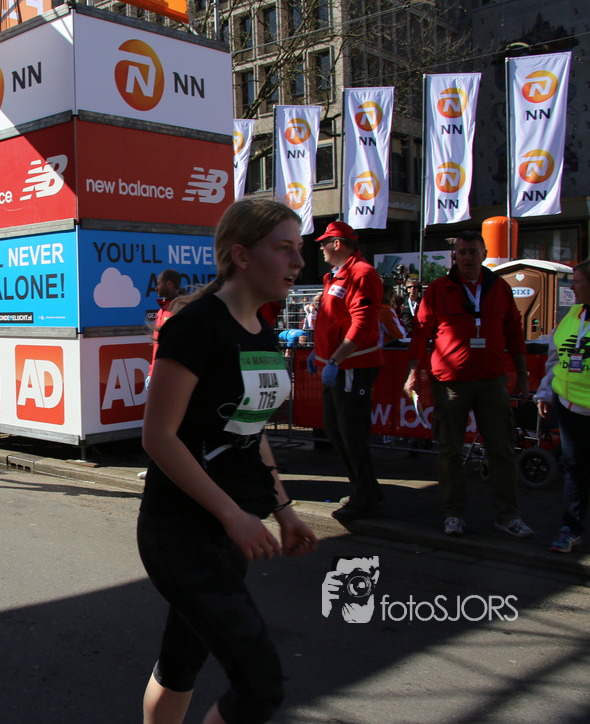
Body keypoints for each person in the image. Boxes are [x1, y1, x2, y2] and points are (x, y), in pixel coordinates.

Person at [138, 198, 318, 724]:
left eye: (299, 248)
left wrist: (283, 510)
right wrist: (232, 515)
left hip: (232, 531)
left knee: (180, 665)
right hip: (181, 533)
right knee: (260, 687)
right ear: (241, 255)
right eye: (283, 248)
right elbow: (158, 437)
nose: (298, 261)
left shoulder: (260, 331)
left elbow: (250, 432)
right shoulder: (194, 325)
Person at [404, 230, 532, 538]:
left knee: (502, 449)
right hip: (451, 384)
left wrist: (523, 373)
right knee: (451, 451)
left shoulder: (499, 288)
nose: (467, 258)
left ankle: (508, 515)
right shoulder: (439, 289)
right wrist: (412, 372)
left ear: (484, 254)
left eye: (473, 252)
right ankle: (454, 514)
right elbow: (421, 332)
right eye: (461, 252)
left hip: (491, 382)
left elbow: (514, 331)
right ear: (455, 256)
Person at [306, 221, 385, 522]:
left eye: (324, 243)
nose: (321, 248)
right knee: (335, 428)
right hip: (339, 366)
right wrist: (319, 352)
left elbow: (362, 324)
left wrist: (336, 359)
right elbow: (333, 321)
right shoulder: (338, 275)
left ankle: (364, 495)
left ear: (337, 244)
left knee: (350, 432)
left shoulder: (361, 273)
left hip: (352, 367)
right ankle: (367, 489)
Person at [534, 258, 590, 553]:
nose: (573, 288)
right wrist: (545, 392)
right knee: (574, 469)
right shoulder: (572, 316)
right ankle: (571, 528)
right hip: (570, 407)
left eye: (577, 281)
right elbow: (555, 359)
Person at [150, 268, 182, 379]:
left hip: (171, 376)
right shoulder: (161, 311)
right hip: (156, 374)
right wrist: (151, 372)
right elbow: (157, 346)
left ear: (169, 284)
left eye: (159, 284)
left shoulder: (180, 310)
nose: (156, 288)